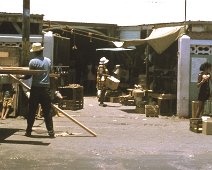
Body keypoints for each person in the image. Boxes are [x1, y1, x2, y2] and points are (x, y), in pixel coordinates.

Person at [20, 42, 55, 138]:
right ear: (42, 51)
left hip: (36, 88)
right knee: (47, 111)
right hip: (46, 89)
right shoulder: (48, 61)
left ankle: (28, 131)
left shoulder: (33, 62)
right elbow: (51, 74)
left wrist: (20, 77)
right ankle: (51, 132)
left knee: (32, 110)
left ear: (35, 52)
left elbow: (28, 76)